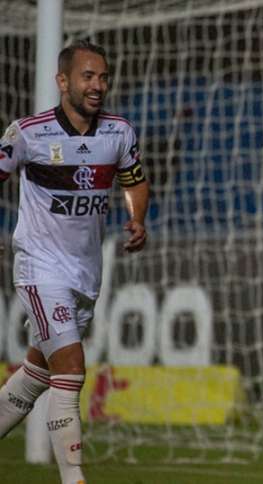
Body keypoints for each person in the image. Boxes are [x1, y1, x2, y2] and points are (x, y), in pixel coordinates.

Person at [0, 40, 149, 484]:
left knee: (35, 375)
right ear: (63, 81)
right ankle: (75, 479)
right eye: (88, 76)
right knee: (71, 368)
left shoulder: (119, 132)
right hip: (40, 267)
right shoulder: (29, 132)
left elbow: (135, 180)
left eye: (103, 77)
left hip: (86, 271)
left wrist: (136, 217)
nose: (97, 85)